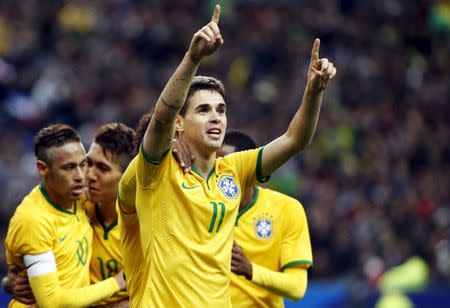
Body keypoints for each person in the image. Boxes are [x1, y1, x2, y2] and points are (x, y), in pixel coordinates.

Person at [119, 3, 336, 306]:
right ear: (179, 123)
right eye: (204, 110)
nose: (216, 118)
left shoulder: (234, 170)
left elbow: (295, 140)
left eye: (221, 110)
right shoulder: (156, 171)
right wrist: (193, 58)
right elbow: (163, 116)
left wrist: (314, 92)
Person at [4, 124, 126, 307]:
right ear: (43, 169)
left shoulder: (81, 200)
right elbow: (52, 303)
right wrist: (117, 283)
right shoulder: (34, 219)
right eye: (69, 167)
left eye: (82, 164)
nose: (81, 176)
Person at [217, 130, 312, 307]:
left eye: (228, 163)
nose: (219, 171)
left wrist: (251, 270)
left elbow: (297, 287)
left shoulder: (286, 209)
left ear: (250, 169)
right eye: (214, 164)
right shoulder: (199, 207)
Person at [84, 123, 136, 307]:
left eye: (102, 168)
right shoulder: (73, 207)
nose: (89, 175)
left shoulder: (145, 229)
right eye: (88, 163)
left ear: (127, 179)